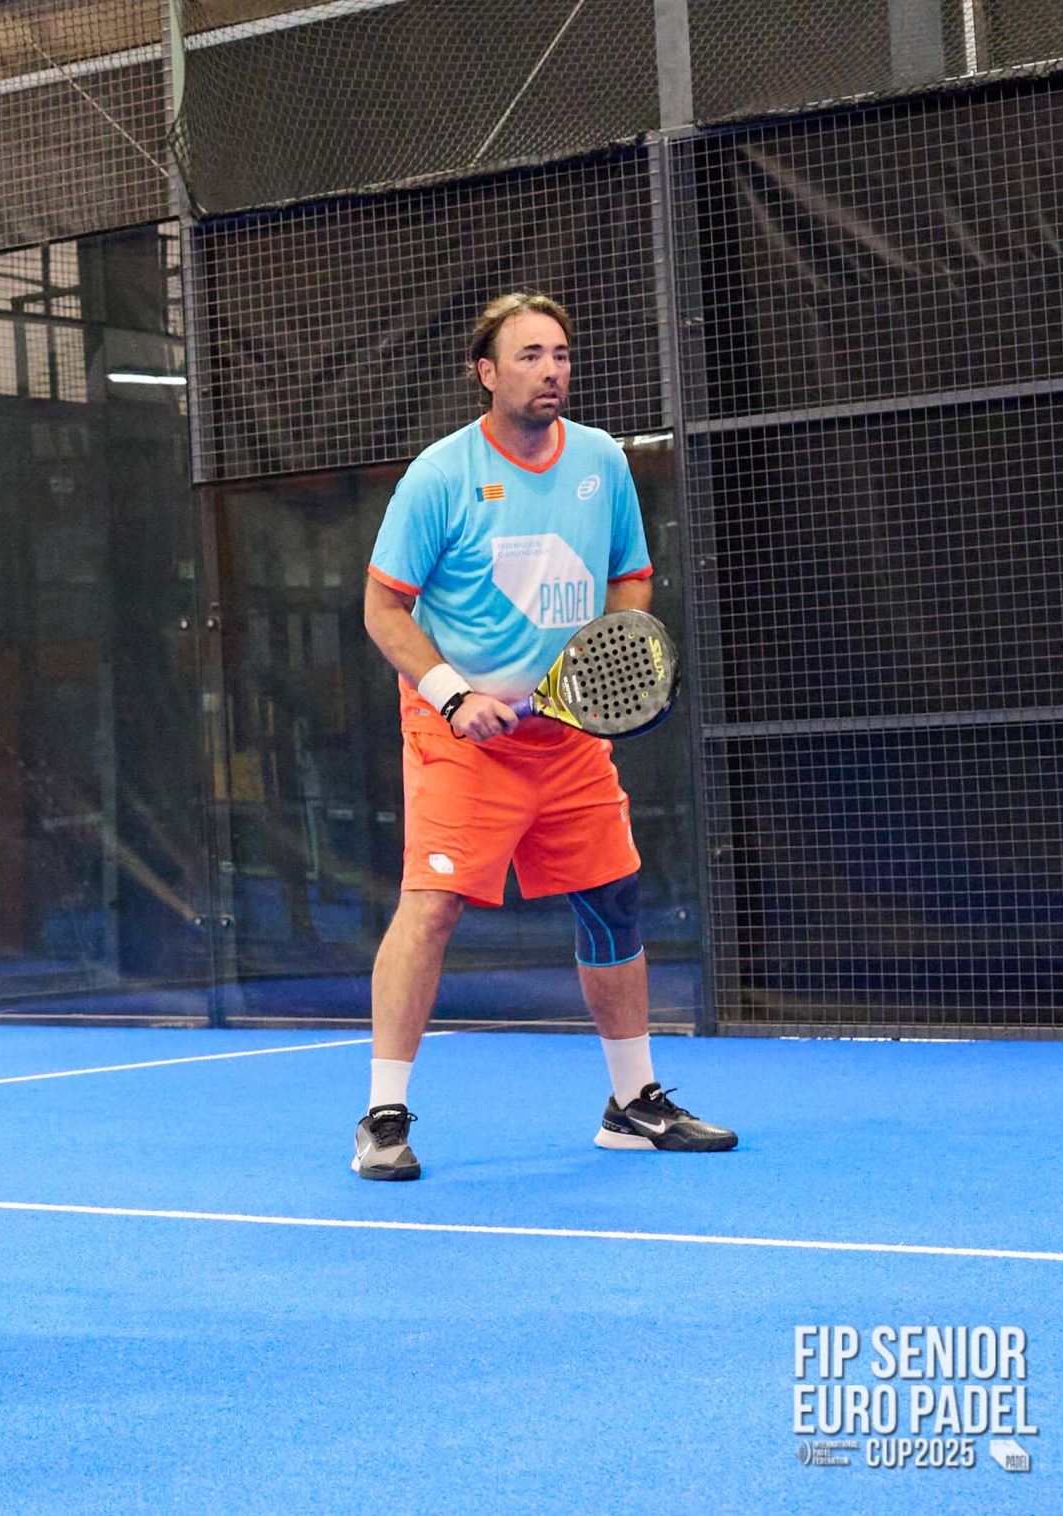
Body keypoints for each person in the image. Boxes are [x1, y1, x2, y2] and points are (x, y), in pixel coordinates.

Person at [353, 291, 736, 1181]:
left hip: (567, 737)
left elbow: (630, 580)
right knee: (432, 907)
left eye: (560, 353)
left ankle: (632, 1103)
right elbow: (383, 608)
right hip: (458, 737)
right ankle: (382, 1116)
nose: (551, 369)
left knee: (613, 899)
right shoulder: (440, 476)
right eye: (529, 355)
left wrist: (599, 668)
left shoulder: (601, 460)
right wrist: (454, 695)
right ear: (486, 373)